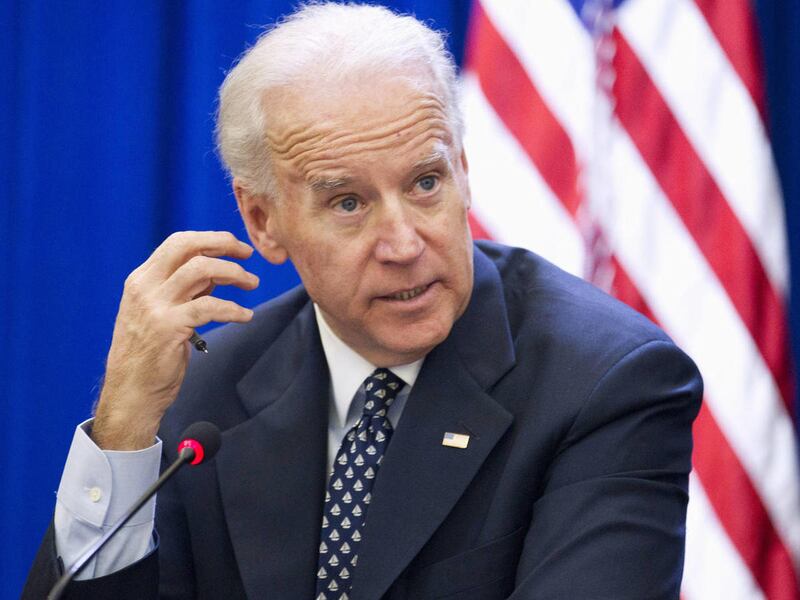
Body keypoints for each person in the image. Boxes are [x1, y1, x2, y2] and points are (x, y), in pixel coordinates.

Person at [24, 3, 702, 599]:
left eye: (426, 183)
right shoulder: (204, 394)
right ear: (263, 221)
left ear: (463, 173)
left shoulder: (606, 385)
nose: (404, 242)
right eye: (349, 202)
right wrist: (122, 432)